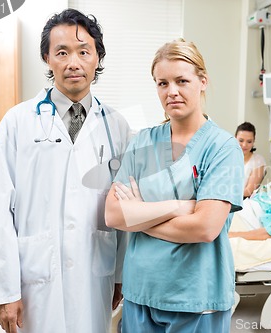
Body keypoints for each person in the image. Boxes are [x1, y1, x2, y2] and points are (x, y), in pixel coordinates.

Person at [0, 9, 131, 333]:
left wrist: (121, 274)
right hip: (35, 279)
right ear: (47, 58)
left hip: (97, 273)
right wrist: (5, 289)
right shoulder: (17, 122)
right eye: (62, 52)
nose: (73, 62)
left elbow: (123, 208)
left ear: (97, 58)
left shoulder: (116, 127)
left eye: (83, 51)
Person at [104, 39, 244, 332]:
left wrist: (140, 215)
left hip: (195, 298)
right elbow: (114, 215)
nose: (172, 92)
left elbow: (205, 228)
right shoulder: (142, 141)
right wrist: (178, 207)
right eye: (162, 83)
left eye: (182, 81)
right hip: (141, 293)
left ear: (202, 81)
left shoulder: (222, 147)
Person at [235, 122, 266, 198]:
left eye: (249, 141)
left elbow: (248, 191)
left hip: (243, 204)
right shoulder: (226, 157)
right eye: (241, 140)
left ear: (253, 142)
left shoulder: (258, 161)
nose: (244, 145)